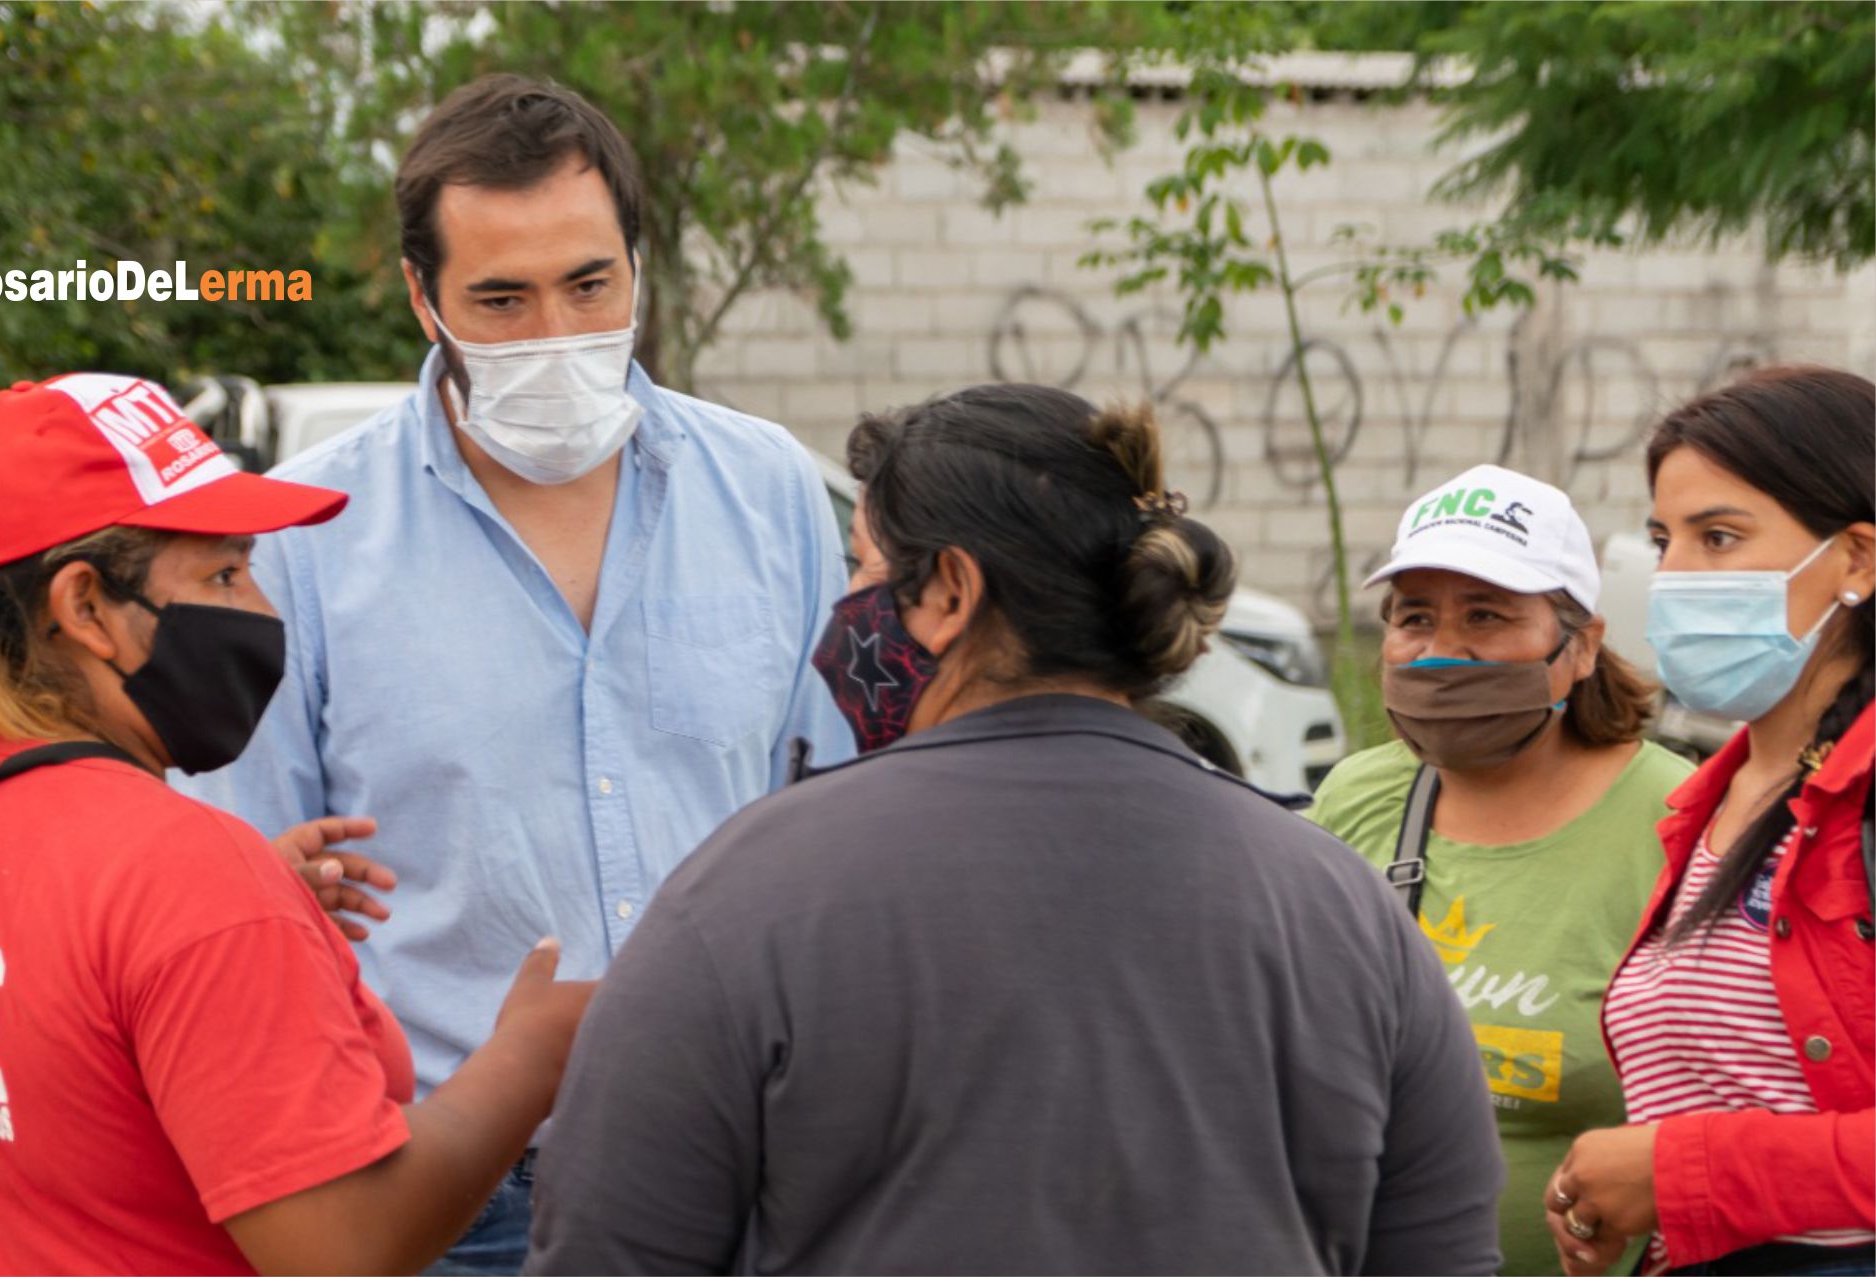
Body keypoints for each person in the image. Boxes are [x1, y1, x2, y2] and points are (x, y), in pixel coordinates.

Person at [524, 384, 1504, 1276]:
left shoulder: (741, 896)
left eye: (864, 566)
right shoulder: (1346, 912)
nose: (843, 611)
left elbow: (608, 1247)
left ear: (948, 590)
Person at [182, 73, 852, 1273]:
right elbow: (247, 885)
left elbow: (837, 819)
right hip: (452, 1186)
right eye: (501, 297)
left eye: (589, 284)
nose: (555, 333)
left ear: (637, 269)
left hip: (749, 1168)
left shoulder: (769, 492)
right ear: (419, 296)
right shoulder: (306, 538)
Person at [0, 375, 592, 1276]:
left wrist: (229, 924)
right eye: (223, 572)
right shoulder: (181, 874)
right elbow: (345, 1246)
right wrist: (531, 1054)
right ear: (85, 607)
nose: (261, 612)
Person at [1306, 463, 1694, 1274]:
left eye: (1485, 615)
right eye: (1414, 617)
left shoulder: (1681, 820)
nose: (1442, 652)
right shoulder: (1355, 801)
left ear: (1580, 646)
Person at [1546, 366, 1874, 1277]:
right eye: (1663, 539)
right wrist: (1619, 1186)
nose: (1675, 575)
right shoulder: (1705, 803)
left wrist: (1678, 1171)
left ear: (1855, 559)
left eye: (1718, 536)